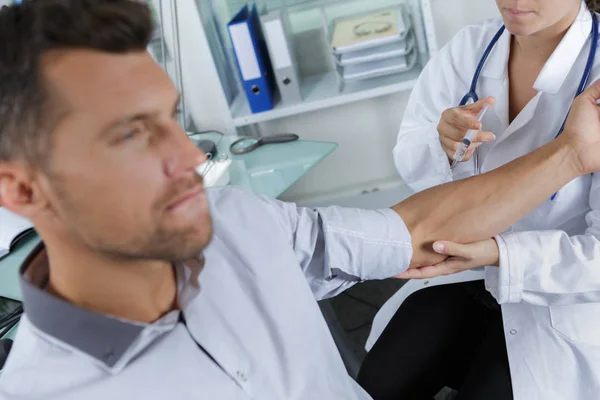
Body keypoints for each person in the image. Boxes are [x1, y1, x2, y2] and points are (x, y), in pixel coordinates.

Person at [0, 1, 599, 399]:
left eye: (172, 118)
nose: (190, 156)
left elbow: (409, 229)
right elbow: (419, 166)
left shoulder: (237, 222)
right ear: (20, 188)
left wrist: (573, 154)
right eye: (130, 133)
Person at [358, 0, 600, 399]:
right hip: (467, 274)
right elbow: (410, 155)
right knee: (374, 386)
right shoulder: (469, 49)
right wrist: (443, 143)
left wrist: (500, 253)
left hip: (563, 295)